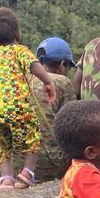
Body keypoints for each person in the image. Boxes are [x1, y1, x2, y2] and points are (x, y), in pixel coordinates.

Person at [0, 7, 56, 190]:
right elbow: (33, 65)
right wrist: (47, 82)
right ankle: (26, 173)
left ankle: (6, 178)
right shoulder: (19, 51)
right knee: (32, 136)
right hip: (16, 107)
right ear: (17, 33)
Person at [30, 37, 78, 183]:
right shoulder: (62, 82)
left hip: (21, 166)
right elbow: (74, 126)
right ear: (63, 65)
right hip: (53, 164)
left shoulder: (22, 80)